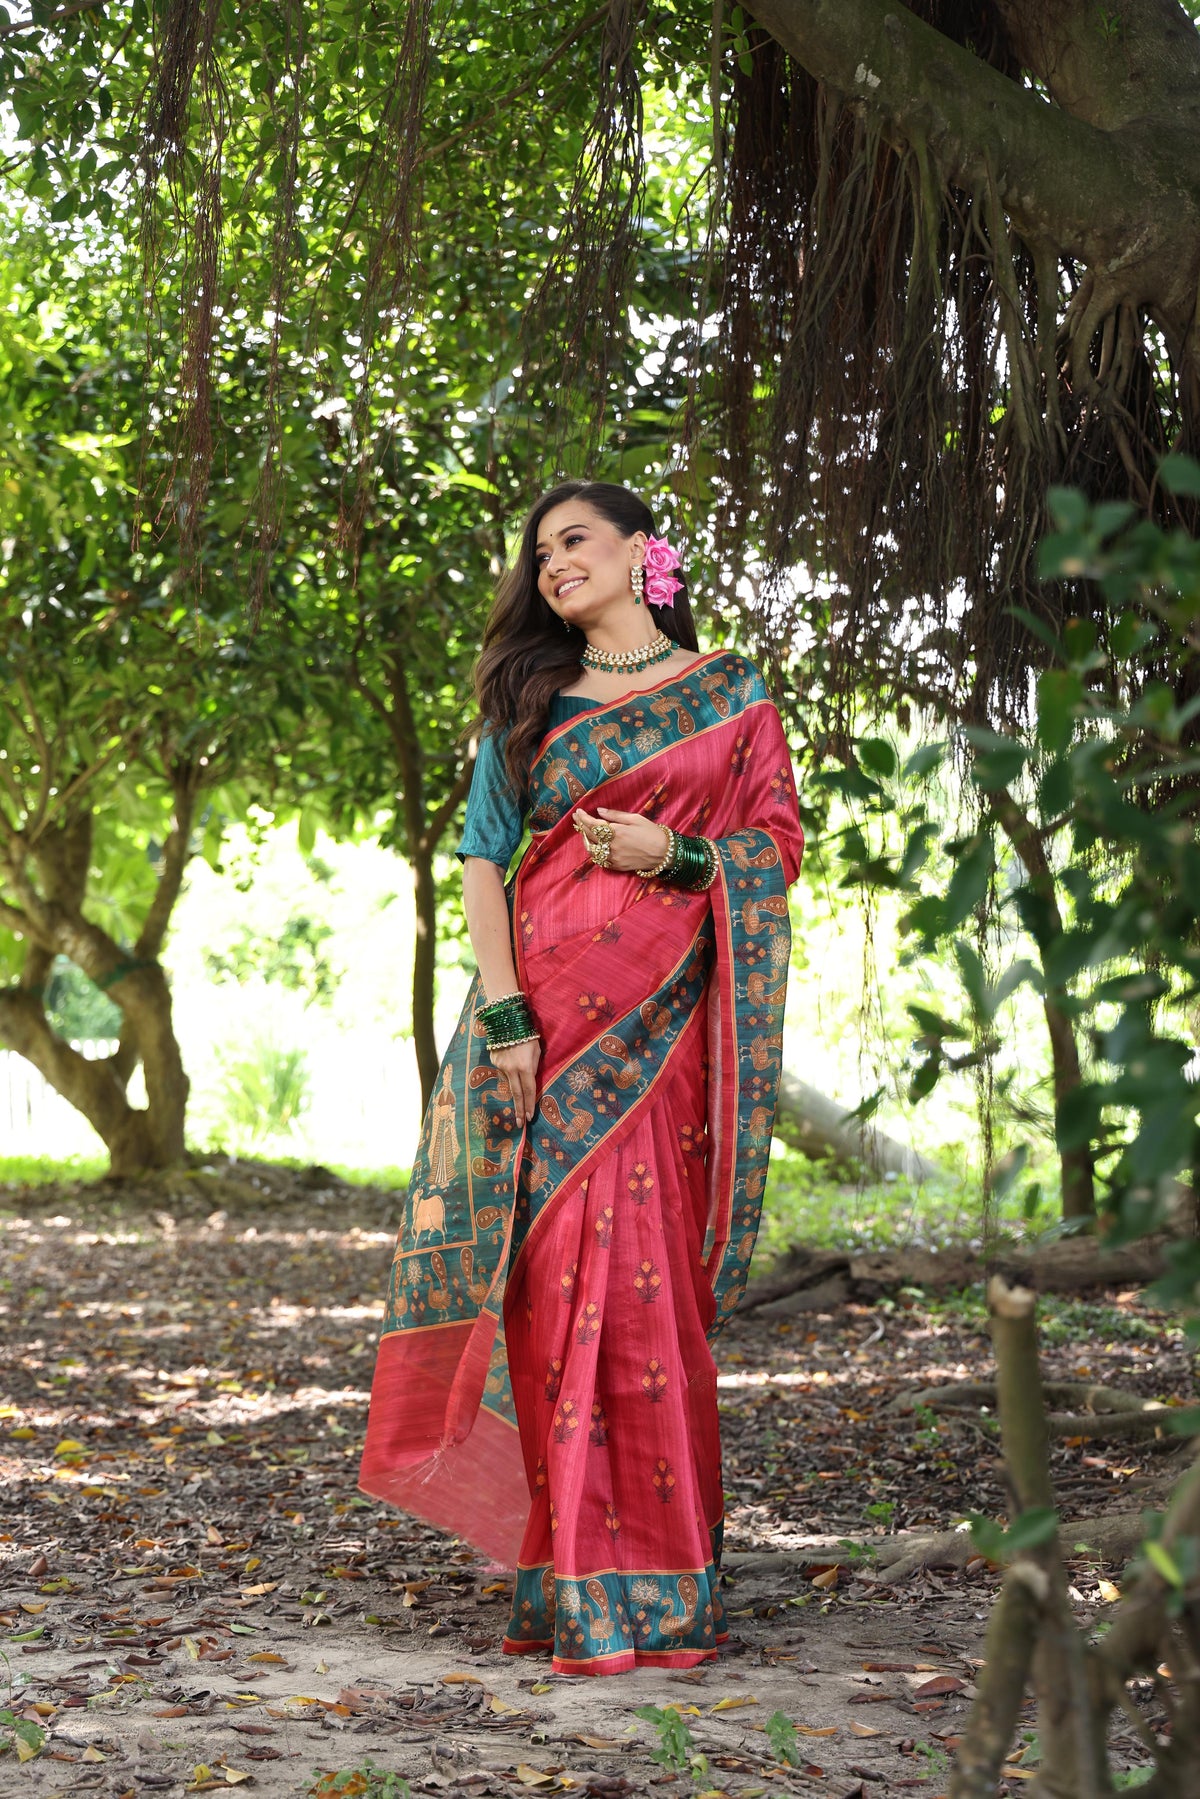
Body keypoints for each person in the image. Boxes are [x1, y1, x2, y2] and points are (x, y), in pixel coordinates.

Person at [359, 480, 803, 1675]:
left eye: (574, 541)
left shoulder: (733, 693)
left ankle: (657, 1583)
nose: (552, 564)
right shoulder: (530, 703)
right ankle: (566, 1578)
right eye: (539, 551)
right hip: (548, 1027)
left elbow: (777, 845)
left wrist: (681, 852)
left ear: (641, 553)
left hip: (665, 1033)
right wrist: (504, 1010)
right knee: (552, 1286)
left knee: (655, 1290)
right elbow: (483, 859)